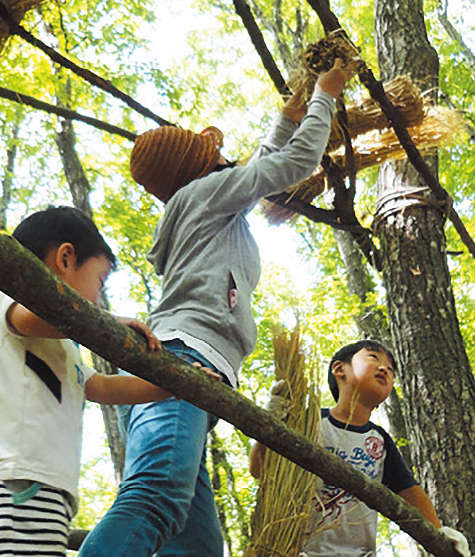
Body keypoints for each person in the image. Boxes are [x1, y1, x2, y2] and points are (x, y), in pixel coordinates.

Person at [77, 59, 355, 557]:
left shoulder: (200, 205)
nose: (224, 157)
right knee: (155, 498)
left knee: (198, 547)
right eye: (213, 154)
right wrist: (325, 96)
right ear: (201, 168)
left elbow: (257, 167)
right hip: (181, 364)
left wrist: (287, 118)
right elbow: (292, 164)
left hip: (183, 374)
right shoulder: (207, 195)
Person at [0, 206, 170, 557]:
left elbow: (102, 386)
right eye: (100, 282)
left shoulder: (64, 350)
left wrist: (172, 387)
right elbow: (34, 317)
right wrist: (105, 321)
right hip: (20, 480)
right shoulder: (16, 299)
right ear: (65, 258)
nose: (99, 299)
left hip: (1, 485)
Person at [249, 339, 472, 557]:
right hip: (301, 550)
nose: (384, 369)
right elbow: (260, 470)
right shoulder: (310, 422)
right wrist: (272, 423)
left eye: (391, 370)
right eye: (374, 358)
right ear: (340, 369)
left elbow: (408, 490)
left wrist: (439, 532)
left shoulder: (379, 440)